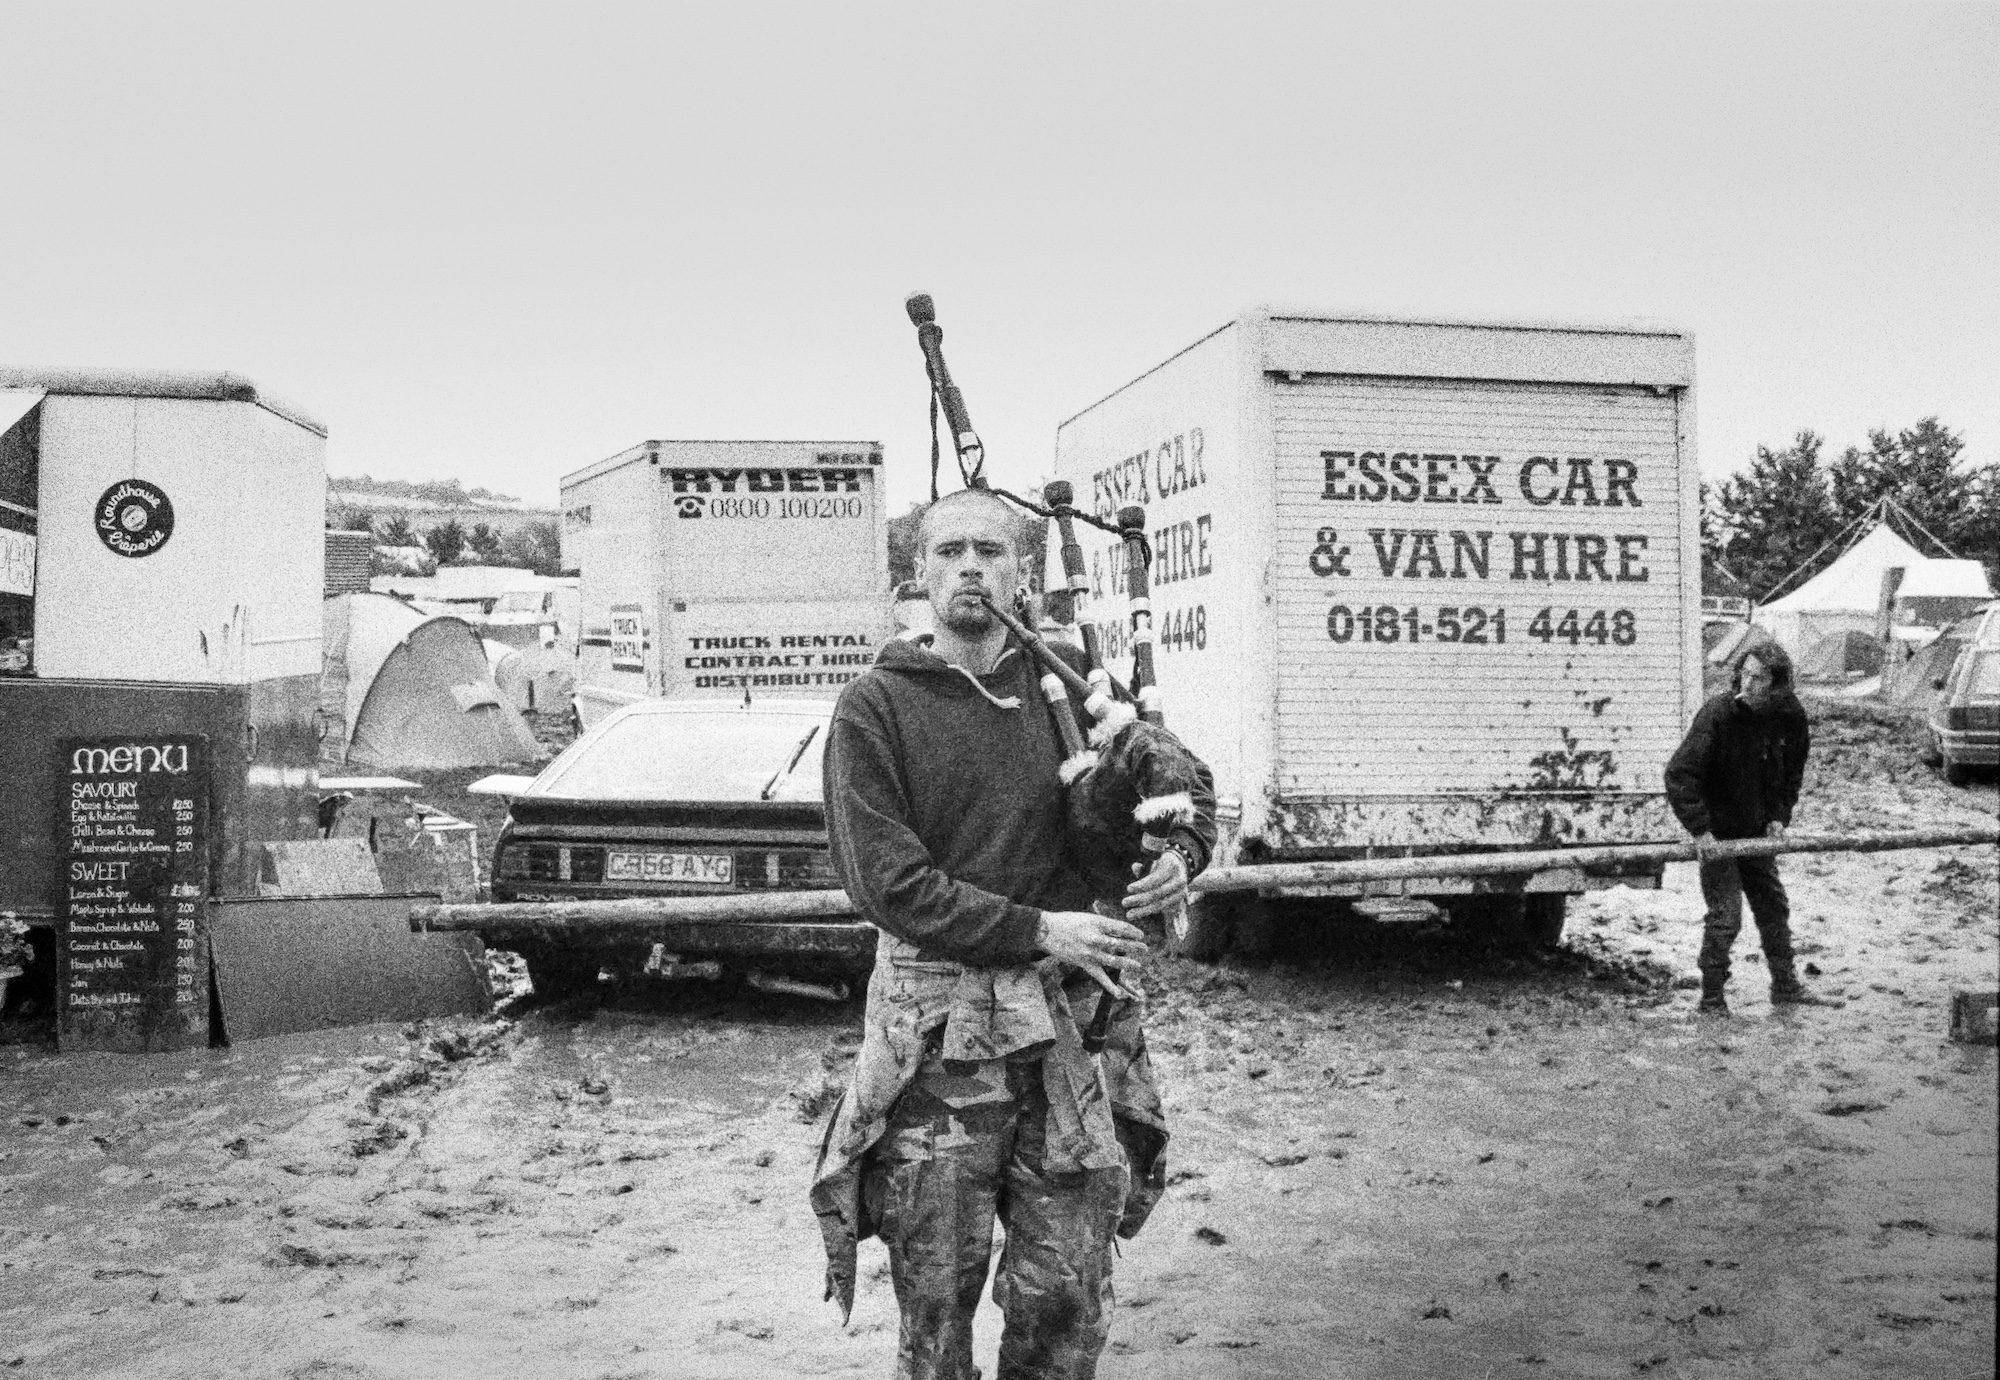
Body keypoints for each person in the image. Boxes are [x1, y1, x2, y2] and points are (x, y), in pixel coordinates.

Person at [810, 486, 1216, 1379]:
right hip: (938, 1044)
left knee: (1065, 1297)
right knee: (935, 1304)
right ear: (918, 574)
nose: (970, 567)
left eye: (990, 551)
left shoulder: (1069, 686)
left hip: (1069, 1041)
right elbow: (890, 886)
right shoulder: (876, 706)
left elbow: (1176, 777)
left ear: (1022, 572)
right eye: (949, 551)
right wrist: (1041, 930)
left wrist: (1183, 850)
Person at [1664, 643, 1832, 1015]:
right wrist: (1700, 830)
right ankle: (1712, 999)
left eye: (1759, 678)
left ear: (1777, 685)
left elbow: (1791, 774)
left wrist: (1778, 817)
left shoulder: (1789, 716)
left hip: (1757, 832)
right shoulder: (1718, 715)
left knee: (1773, 907)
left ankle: (1785, 986)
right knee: (1726, 917)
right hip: (1718, 835)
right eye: (1745, 674)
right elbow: (1679, 774)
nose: (1748, 684)